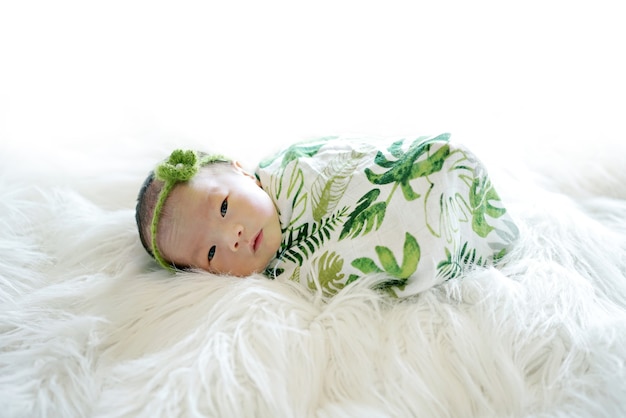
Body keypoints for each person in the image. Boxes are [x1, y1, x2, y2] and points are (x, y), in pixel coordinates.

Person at [136, 133, 518, 297]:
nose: (231, 237)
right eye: (212, 253)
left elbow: (351, 160)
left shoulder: (295, 168)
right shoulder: (274, 282)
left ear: (242, 172)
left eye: (223, 207)